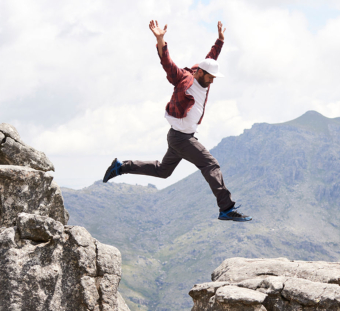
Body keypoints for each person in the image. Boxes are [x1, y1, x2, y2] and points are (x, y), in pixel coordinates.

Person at [102, 20, 251, 222]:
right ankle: (226, 208)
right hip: (181, 139)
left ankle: (121, 166)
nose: (213, 81)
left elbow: (211, 58)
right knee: (211, 165)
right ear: (199, 72)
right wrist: (160, 39)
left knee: (162, 171)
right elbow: (167, 63)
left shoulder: (204, 74)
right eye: (210, 77)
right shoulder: (184, 78)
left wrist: (220, 41)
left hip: (179, 137)